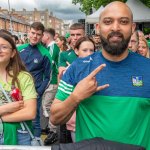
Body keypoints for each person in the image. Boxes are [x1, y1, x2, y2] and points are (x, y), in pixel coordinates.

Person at [50, 1, 150, 150]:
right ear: (98, 27)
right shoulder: (78, 67)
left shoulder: (147, 68)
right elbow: (55, 118)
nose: (115, 28)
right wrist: (76, 97)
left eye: (123, 22)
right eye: (108, 22)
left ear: (132, 27)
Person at [0, 32, 37, 145]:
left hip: (20, 135)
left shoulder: (23, 77)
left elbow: (30, 112)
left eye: (4, 47)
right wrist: (5, 109)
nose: (0, 50)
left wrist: (2, 118)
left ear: (13, 53)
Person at [17, 22, 51, 138]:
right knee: (18, 115)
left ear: (42, 36)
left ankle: (36, 142)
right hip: (17, 91)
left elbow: (48, 77)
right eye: (33, 33)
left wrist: (39, 92)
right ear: (28, 33)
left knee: (35, 119)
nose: (35, 36)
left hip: (34, 92)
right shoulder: (19, 49)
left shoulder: (45, 53)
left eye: (38, 34)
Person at [66, 36, 95, 142]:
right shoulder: (71, 71)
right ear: (76, 51)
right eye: (85, 50)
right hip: (76, 121)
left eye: (92, 50)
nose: (89, 53)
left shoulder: (97, 68)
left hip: (94, 120)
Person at [41, 28, 60, 145]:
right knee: (45, 105)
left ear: (47, 37)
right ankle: (50, 128)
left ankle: (53, 130)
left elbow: (50, 65)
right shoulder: (48, 47)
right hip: (48, 82)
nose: (40, 37)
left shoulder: (52, 47)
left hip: (51, 82)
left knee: (47, 106)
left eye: (42, 35)